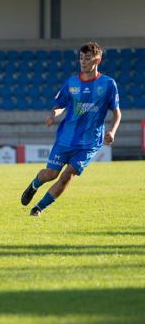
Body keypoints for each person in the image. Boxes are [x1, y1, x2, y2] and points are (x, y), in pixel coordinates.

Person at [20, 42, 121, 216]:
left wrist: (112, 131)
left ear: (98, 60)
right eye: (81, 58)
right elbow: (60, 105)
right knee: (51, 174)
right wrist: (53, 115)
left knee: (68, 174)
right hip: (66, 139)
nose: (83, 62)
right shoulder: (72, 83)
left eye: (87, 58)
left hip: (89, 142)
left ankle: (38, 208)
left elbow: (117, 112)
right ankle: (35, 184)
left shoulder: (108, 84)